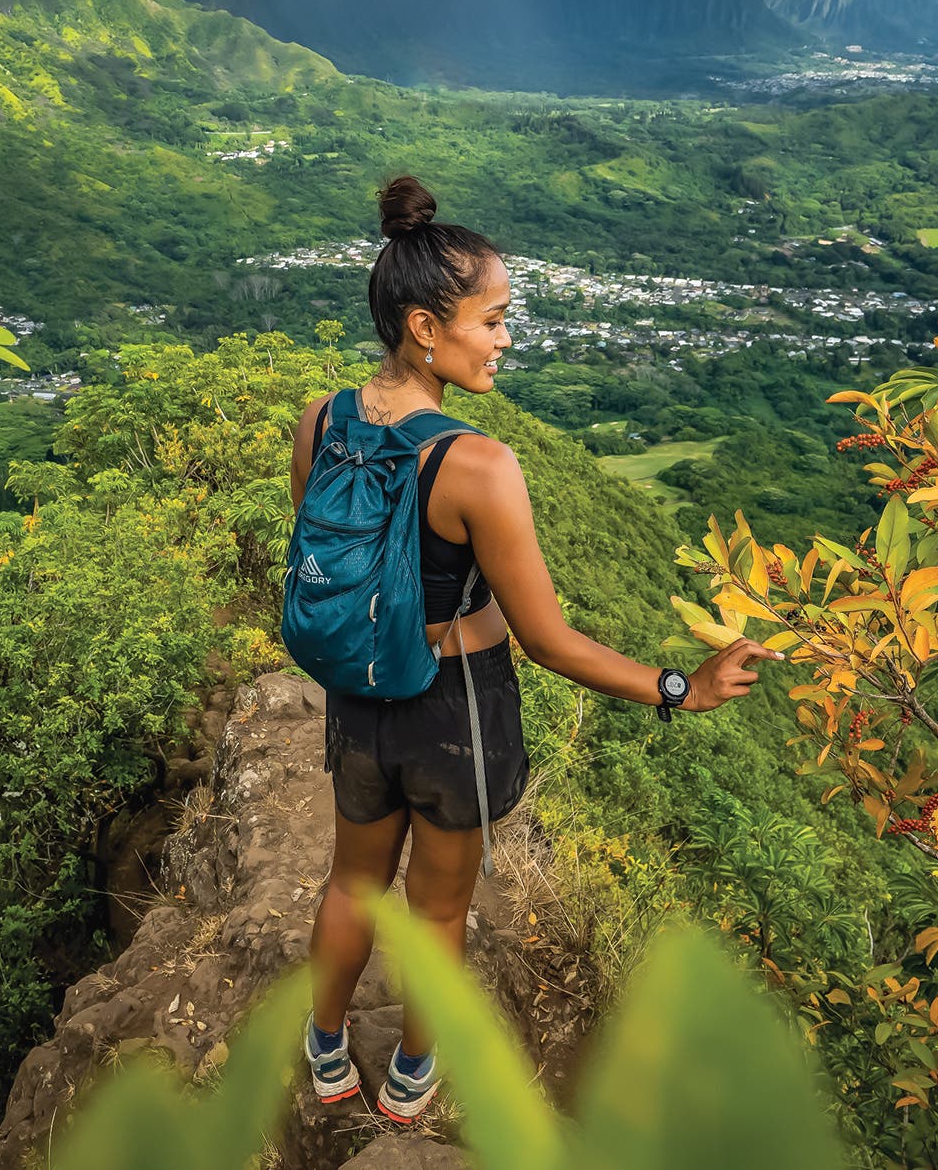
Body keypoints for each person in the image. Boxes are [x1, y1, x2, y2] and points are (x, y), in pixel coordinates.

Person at [294, 175, 780, 1123]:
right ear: (426, 327)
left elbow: (322, 554)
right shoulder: (476, 462)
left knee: (352, 881)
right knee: (436, 911)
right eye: (496, 319)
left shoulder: (320, 417)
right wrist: (682, 685)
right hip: (453, 711)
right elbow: (549, 642)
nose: (508, 338)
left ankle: (322, 1049)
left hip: (357, 693)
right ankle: (408, 1081)